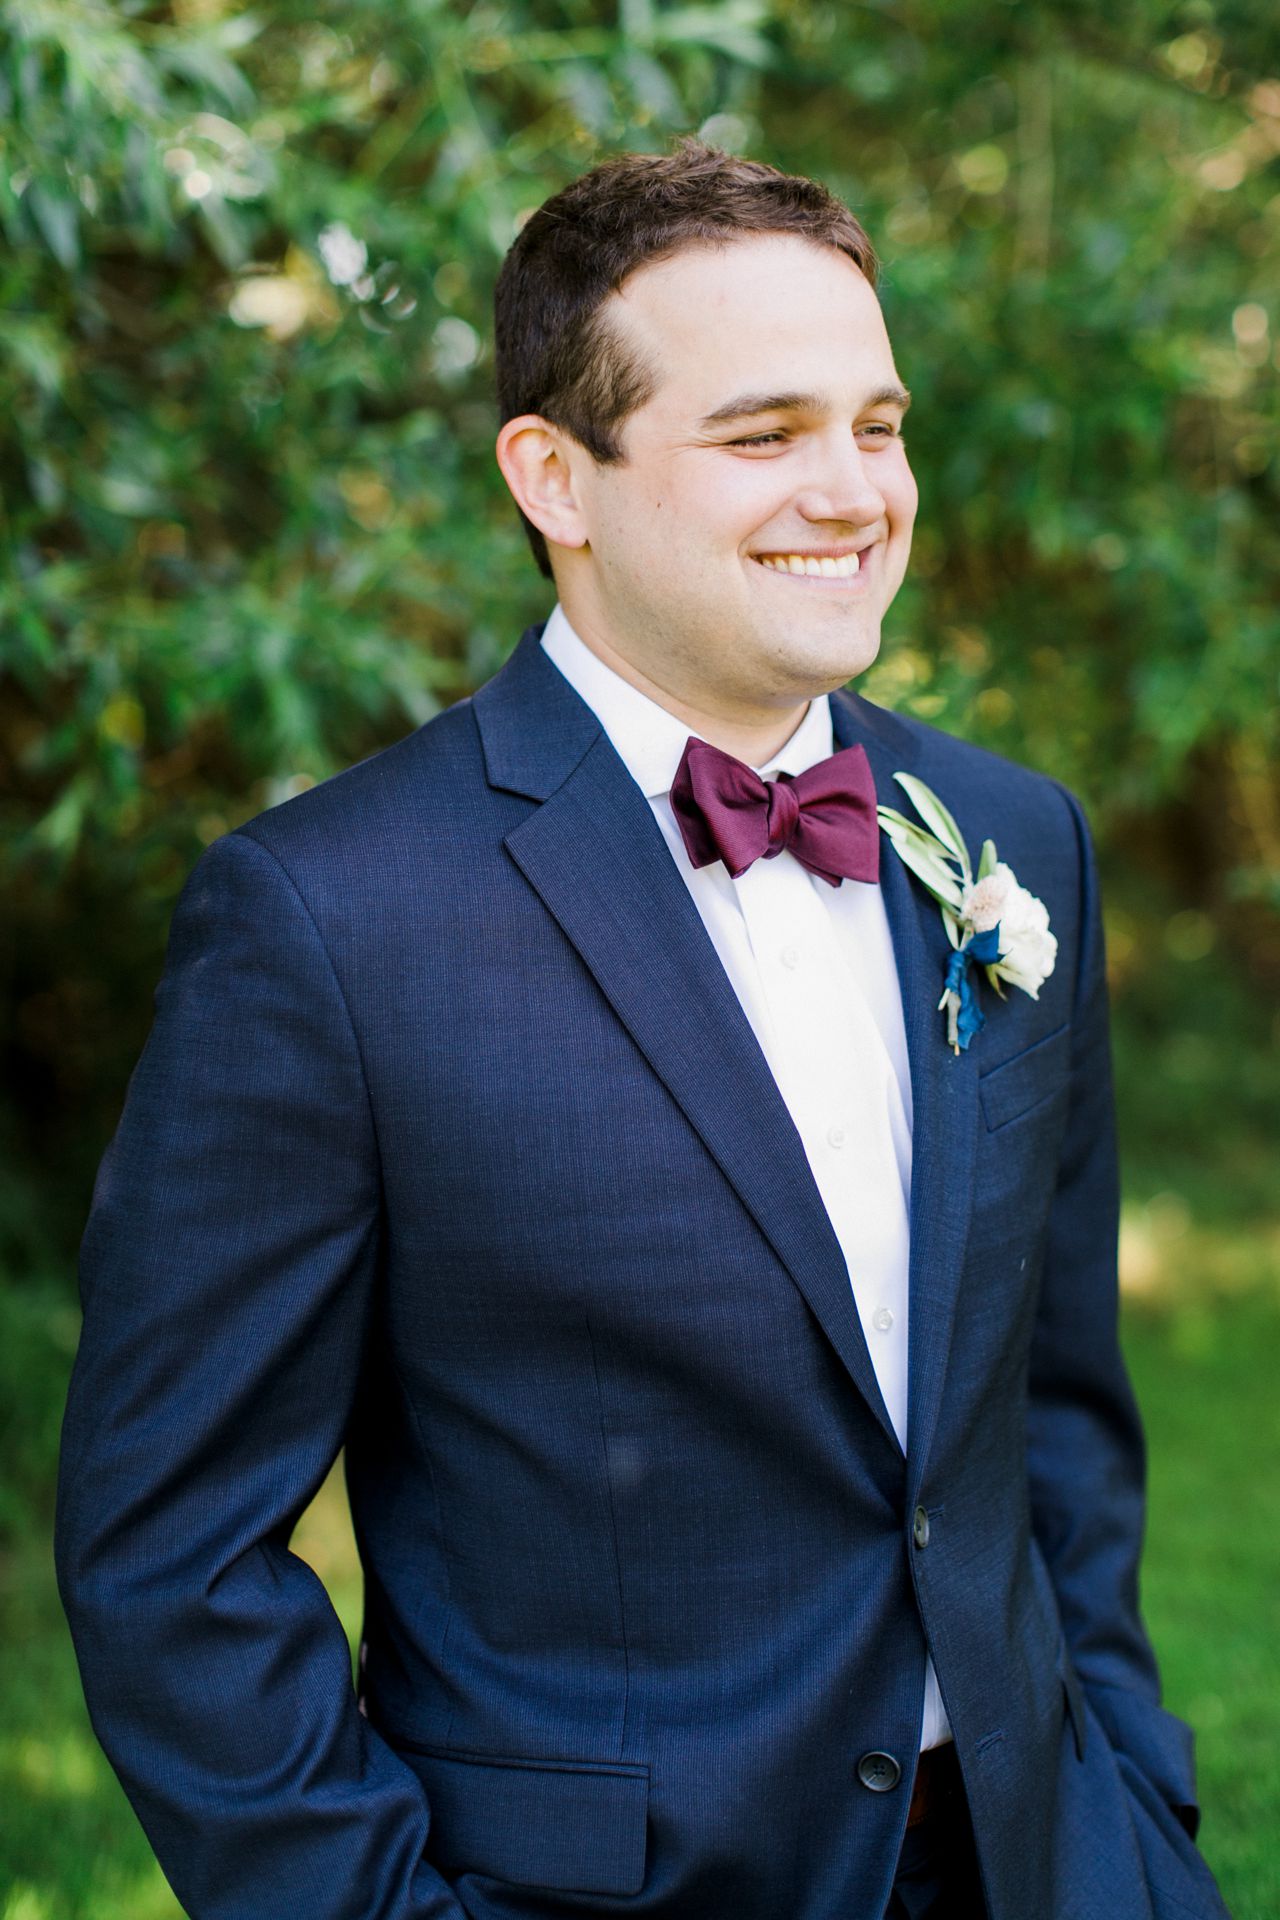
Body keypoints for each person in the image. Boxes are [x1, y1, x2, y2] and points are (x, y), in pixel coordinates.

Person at [56, 143, 1229, 1920]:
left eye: (881, 424)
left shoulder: (1009, 839)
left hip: (1046, 1861)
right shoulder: (328, 920)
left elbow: (1053, 1412)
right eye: (763, 435)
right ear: (557, 478)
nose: (851, 491)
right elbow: (172, 1557)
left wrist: (1131, 1804)